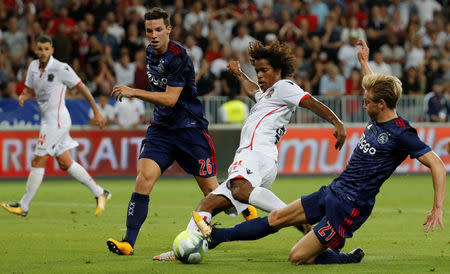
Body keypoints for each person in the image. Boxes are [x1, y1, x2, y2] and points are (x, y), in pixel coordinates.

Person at [192, 40, 446, 266]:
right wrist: (364, 62)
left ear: (381, 104)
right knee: (279, 217)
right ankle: (216, 236)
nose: (362, 102)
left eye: (366, 101)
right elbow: (373, 87)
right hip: (333, 191)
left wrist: (437, 207)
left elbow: (435, 164)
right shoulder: (379, 111)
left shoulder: (402, 133)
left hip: (351, 207)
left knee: (298, 257)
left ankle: (340, 256)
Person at [154, 39, 347, 261]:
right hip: (259, 158)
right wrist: (239, 73)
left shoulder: (285, 87)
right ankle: (185, 248)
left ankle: (296, 216)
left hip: (256, 154)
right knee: (207, 204)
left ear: (279, 70)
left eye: (264, 70)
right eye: (257, 71)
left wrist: (337, 122)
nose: (260, 75)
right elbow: (252, 90)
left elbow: (309, 101)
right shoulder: (268, 95)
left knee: (239, 189)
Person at [105, 8, 256, 257]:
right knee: (143, 179)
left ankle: (244, 207)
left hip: (190, 131)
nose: (153, 35)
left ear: (168, 30)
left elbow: (171, 98)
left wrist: (134, 92)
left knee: (211, 190)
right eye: (148, 31)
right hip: (162, 130)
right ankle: (128, 243)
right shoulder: (149, 52)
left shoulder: (178, 56)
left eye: (157, 30)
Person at [1, 35, 110, 217]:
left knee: (38, 160)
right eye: (40, 49)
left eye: (46, 49)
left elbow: (82, 87)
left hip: (57, 121)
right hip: (47, 120)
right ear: (35, 50)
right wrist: (23, 96)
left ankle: (24, 206)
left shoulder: (61, 68)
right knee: (65, 162)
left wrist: (97, 112)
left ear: (51, 50)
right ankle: (100, 192)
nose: (43, 52)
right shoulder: (33, 67)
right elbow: (29, 91)